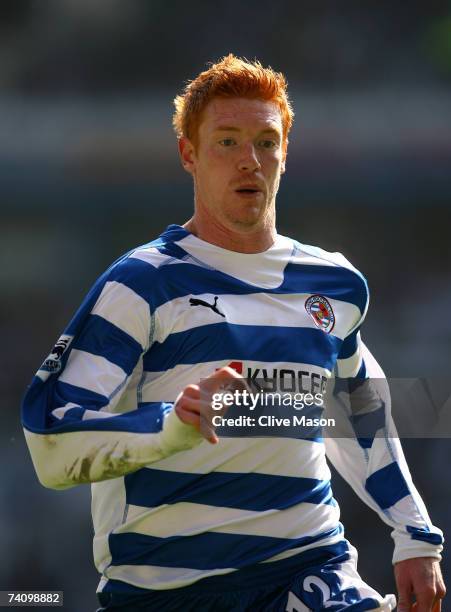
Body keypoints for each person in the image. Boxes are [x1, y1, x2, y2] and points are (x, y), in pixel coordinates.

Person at [22, 55, 445, 612]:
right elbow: (52, 448)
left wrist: (414, 532)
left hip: (308, 567)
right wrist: (173, 426)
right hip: (166, 592)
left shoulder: (336, 284)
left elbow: (356, 411)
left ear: (285, 155)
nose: (250, 160)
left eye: (266, 142)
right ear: (188, 155)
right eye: (227, 142)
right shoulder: (143, 283)